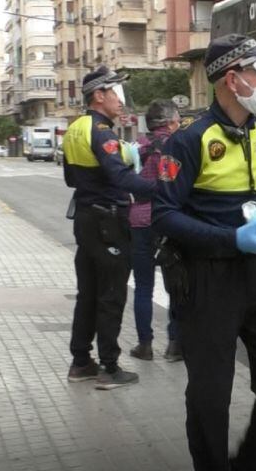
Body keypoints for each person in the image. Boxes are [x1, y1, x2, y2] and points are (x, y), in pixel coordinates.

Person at [153, 34, 256, 471]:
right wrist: (231, 239)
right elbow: (164, 215)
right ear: (232, 78)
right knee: (210, 396)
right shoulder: (189, 140)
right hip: (206, 281)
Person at [63, 65, 156, 390]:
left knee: (87, 293)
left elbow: (71, 178)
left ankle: (80, 362)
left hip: (86, 219)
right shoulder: (102, 132)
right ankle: (109, 367)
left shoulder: (75, 129)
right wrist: (160, 188)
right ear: (99, 95)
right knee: (111, 294)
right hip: (109, 223)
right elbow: (120, 177)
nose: (121, 100)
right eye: (116, 93)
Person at [128, 99, 182, 362]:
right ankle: (174, 345)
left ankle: (145, 345)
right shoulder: (177, 146)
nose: (180, 124)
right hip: (168, 222)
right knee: (176, 286)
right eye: (178, 120)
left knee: (143, 287)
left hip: (139, 222)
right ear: (170, 122)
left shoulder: (137, 147)